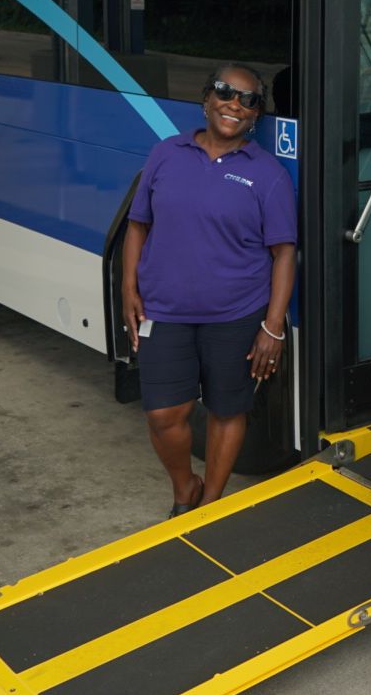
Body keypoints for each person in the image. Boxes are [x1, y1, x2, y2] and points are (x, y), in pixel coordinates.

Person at [121, 63, 297, 517]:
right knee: (164, 416)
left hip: (236, 314)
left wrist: (273, 327)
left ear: (256, 114)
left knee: (226, 409)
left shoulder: (268, 174)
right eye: (225, 92)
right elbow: (138, 224)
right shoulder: (167, 153)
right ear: (206, 99)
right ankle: (185, 488)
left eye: (248, 99)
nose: (234, 105)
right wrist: (128, 286)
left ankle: (210, 505)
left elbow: (283, 254)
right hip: (165, 308)